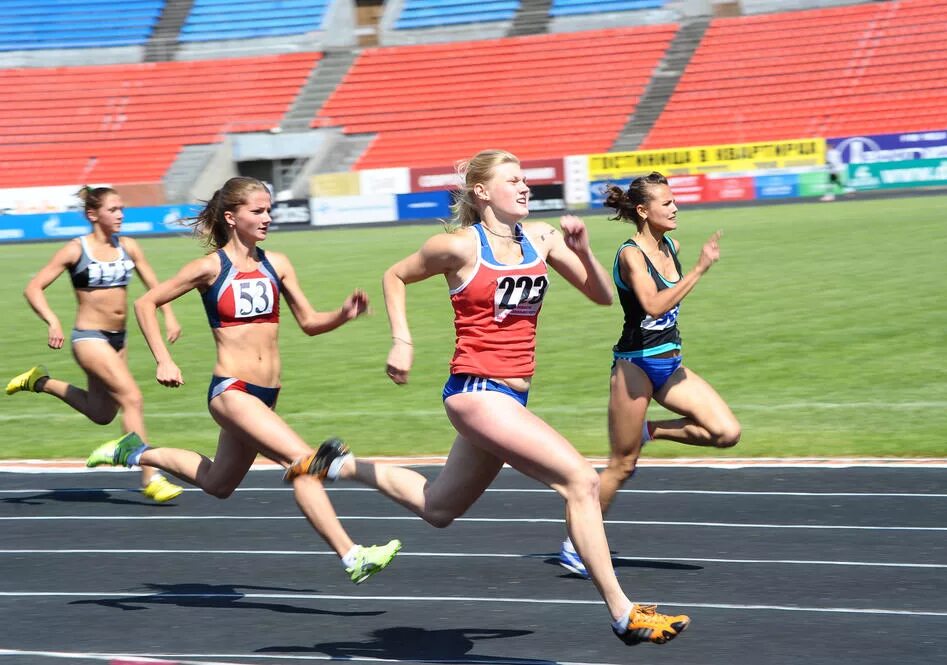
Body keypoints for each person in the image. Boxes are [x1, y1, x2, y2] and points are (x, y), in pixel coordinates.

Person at [283, 150, 691, 645]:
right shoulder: (456, 247)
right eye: (513, 180)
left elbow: (602, 296)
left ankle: (339, 464)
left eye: (526, 180)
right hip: (474, 392)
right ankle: (623, 612)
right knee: (581, 481)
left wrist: (581, 250)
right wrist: (402, 341)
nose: (525, 187)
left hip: (509, 400)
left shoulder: (541, 238)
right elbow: (395, 275)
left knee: (438, 508)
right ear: (481, 192)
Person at [84, 176, 401, 584]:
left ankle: (135, 451)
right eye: (258, 211)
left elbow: (308, 322)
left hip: (265, 395)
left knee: (218, 484)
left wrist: (342, 314)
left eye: (269, 210)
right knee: (302, 463)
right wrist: (164, 359)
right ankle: (351, 554)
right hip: (231, 391)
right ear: (232, 218)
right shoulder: (210, 267)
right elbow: (147, 302)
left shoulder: (277, 263)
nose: (267, 217)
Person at [557, 172, 740, 579]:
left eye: (675, 202)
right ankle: (575, 545)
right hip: (634, 367)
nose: (675, 208)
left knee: (726, 433)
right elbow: (654, 306)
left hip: (670, 364)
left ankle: (651, 430)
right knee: (622, 466)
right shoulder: (631, 255)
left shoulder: (669, 245)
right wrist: (698, 270)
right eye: (667, 203)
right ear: (643, 211)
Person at [6, 186, 185, 503]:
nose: (120, 215)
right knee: (132, 398)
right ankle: (150, 476)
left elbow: (155, 287)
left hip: (119, 339)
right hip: (89, 338)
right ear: (93, 215)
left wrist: (169, 314)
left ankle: (40, 382)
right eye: (113, 209)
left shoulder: (128, 246)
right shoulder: (76, 250)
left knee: (102, 413)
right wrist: (53, 320)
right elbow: (34, 288)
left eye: (121, 209)